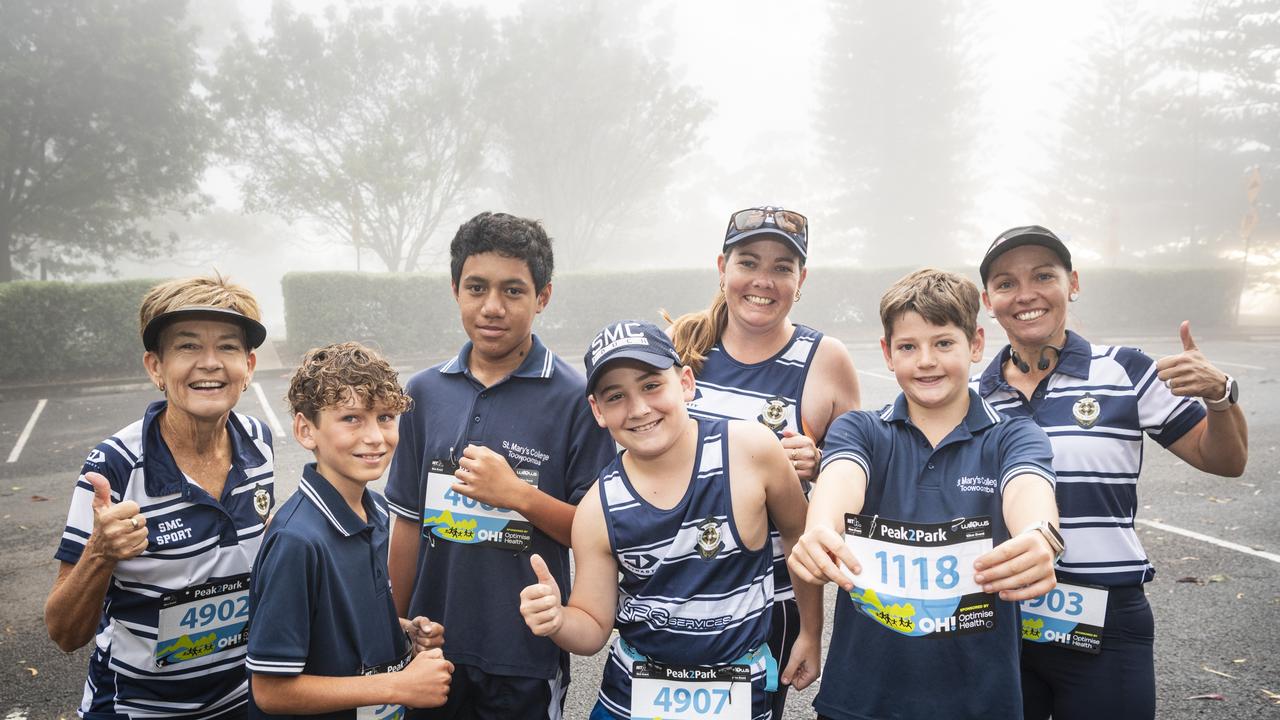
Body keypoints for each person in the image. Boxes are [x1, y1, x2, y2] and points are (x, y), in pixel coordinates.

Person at [973, 226, 1249, 720]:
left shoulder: (1125, 369)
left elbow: (1225, 461)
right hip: (999, 614)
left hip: (1106, 616)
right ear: (989, 301)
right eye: (1006, 283)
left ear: (1072, 283)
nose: (1026, 294)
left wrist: (1220, 397)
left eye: (1043, 276)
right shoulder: (973, 391)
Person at [789, 268, 1063, 720]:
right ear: (887, 353)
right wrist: (820, 530)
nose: (926, 361)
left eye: (943, 343)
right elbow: (840, 480)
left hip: (980, 701)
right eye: (908, 347)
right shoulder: (861, 430)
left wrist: (1040, 536)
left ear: (975, 344)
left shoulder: (1015, 436)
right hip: (861, 698)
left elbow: (1029, 493)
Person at [519, 320, 821, 720]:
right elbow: (592, 626)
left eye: (651, 385)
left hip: (737, 699)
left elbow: (800, 535)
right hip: (631, 700)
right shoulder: (598, 507)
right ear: (598, 411)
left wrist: (811, 633)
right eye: (616, 396)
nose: (639, 408)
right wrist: (557, 619)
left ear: (685, 383)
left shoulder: (750, 451)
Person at [386, 212, 617, 720]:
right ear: (455, 290)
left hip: (524, 653)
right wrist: (395, 626)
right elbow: (405, 521)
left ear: (543, 297)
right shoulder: (423, 393)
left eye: (513, 291)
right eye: (476, 288)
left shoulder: (575, 398)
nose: (492, 307)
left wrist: (518, 495)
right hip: (433, 646)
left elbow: (595, 534)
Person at [44, 274, 274, 718]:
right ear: (156, 367)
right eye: (188, 346)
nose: (210, 363)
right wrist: (100, 553)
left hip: (241, 703)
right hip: (136, 710)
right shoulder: (112, 466)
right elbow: (64, 633)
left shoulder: (260, 444)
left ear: (249, 366)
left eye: (227, 347)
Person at [665, 205, 860, 715]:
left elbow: (861, 486)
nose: (763, 281)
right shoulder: (681, 348)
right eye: (749, 262)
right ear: (722, 268)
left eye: (782, 267)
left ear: (802, 279)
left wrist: (820, 464)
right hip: (671, 590)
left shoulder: (826, 358)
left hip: (769, 605)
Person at [245, 342, 454, 719]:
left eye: (386, 417)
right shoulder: (297, 541)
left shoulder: (373, 509)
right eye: (352, 418)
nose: (375, 436)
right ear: (306, 430)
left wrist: (402, 631)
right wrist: (397, 686)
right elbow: (270, 690)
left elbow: (337, 622)